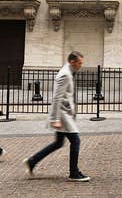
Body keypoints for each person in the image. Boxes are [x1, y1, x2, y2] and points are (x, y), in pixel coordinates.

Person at [23, 51, 90, 182]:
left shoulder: (68, 71)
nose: (81, 65)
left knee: (58, 143)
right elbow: (56, 97)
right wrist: (55, 119)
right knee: (75, 141)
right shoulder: (65, 74)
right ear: (72, 62)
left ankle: (32, 161)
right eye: (79, 63)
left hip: (65, 113)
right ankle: (74, 173)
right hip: (62, 115)